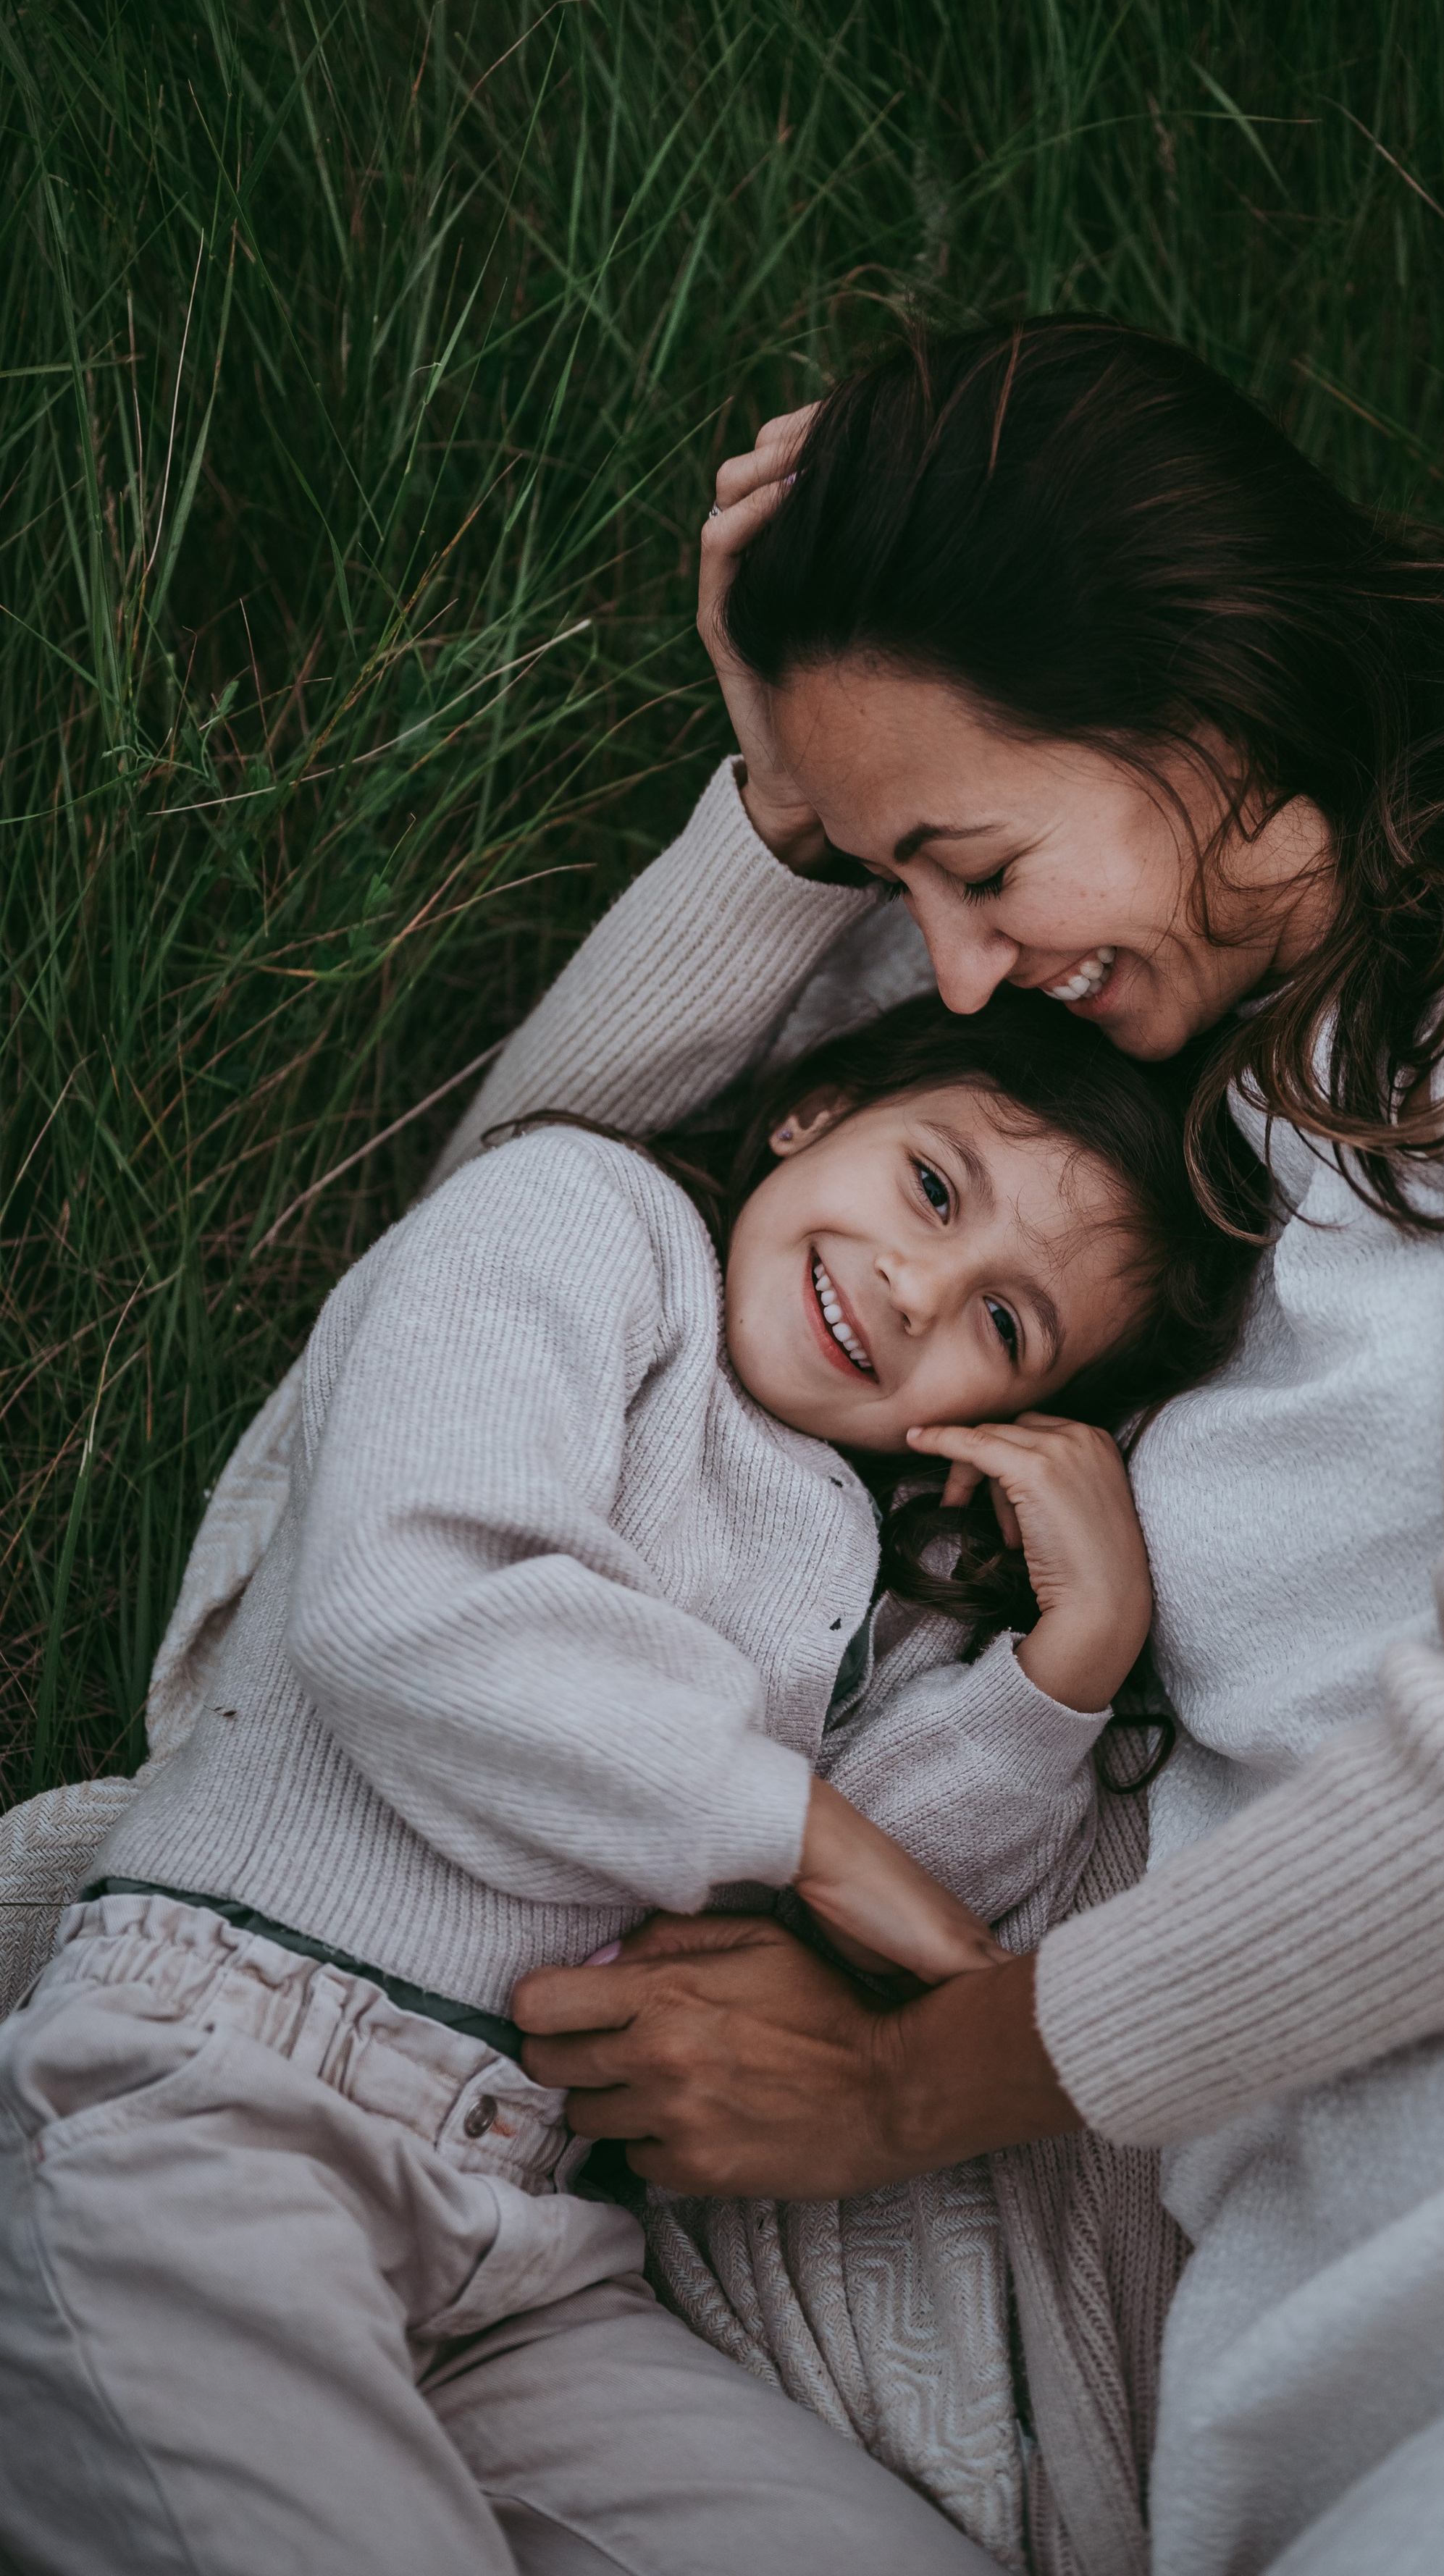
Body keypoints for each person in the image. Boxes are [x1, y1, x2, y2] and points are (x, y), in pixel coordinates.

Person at [477, 320, 1444, 2576]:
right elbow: (507, 1287)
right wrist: (782, 827)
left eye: (968, 861)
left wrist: (903, 2087)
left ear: (1198, 722)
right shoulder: (1081, 1052)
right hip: (1323, 2245)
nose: (951, 963)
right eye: (892, 884)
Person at [0, 972, 1250, 2576]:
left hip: (526, 2247)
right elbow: (412, 1606)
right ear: (813, 1112)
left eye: (1006, 1326)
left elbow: (864, 1922)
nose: (918, 1287)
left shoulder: (886, 1569)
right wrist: (811, 1835)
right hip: (217, 2098)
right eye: (933, 1187)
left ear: (1012, 1420)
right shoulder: (586, 1221)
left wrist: (1060, 1670)